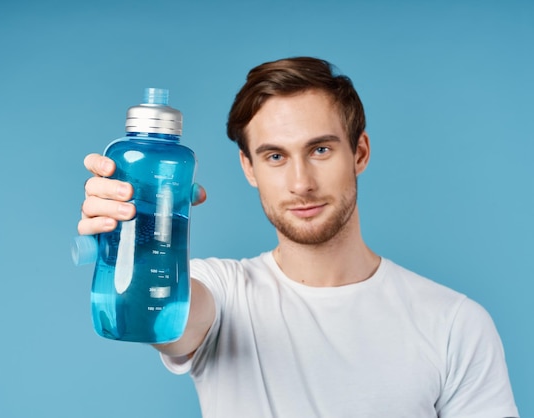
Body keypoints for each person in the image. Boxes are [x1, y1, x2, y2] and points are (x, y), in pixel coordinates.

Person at [78, 57, 519, 417]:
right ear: (249, 168)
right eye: (274, 156)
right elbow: (158, 315)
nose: (301, 182)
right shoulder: (224, 295)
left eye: (320, 150)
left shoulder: (455, 324)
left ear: (359, 152)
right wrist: (128, 234)